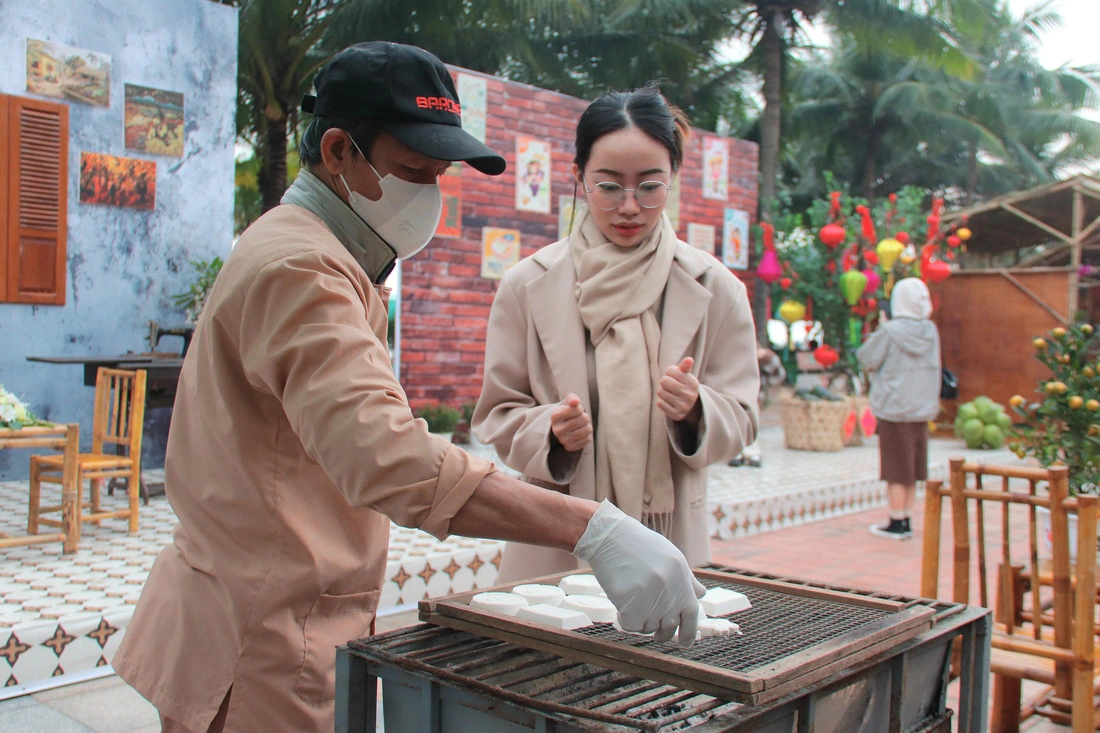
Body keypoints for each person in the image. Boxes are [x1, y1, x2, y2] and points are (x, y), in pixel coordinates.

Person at [112, 43, 706, 733]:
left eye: (439, 175)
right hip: (256, 644)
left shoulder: (325, 253)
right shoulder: (302, 267)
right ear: (338, 151)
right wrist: (595, 529)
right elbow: (387, 456)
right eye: (412, 171)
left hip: (267, 617)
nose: (428, 193)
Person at [472, 83, 760, 583]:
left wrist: (696, 411)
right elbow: (498, 414)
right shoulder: (527, 285)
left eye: (650, 186)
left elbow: (743, 415)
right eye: (609, 186)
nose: (630, 206)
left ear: (673, 179)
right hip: (554, 545)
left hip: (669, 542)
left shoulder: (716, 288)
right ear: (579, 177)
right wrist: (552, 434)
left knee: (660, 657)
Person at [857, 277, 941, 540]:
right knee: (913, 468)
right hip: (922, 407)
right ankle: (906, 517)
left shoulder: (890, 331)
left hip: (894, 406)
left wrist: (881, 327)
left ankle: (896, 521)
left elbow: (867, 358)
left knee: (895, 467)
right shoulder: (930, 331)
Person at [730, 346, 785, 467]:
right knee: (734, 420)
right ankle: (736, 451)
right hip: (732, 394)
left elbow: (779, 374)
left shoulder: (761, 353)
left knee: (751, 420)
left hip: (754, 396)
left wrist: (765, 357)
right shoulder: (730, 350)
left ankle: (752, 452)